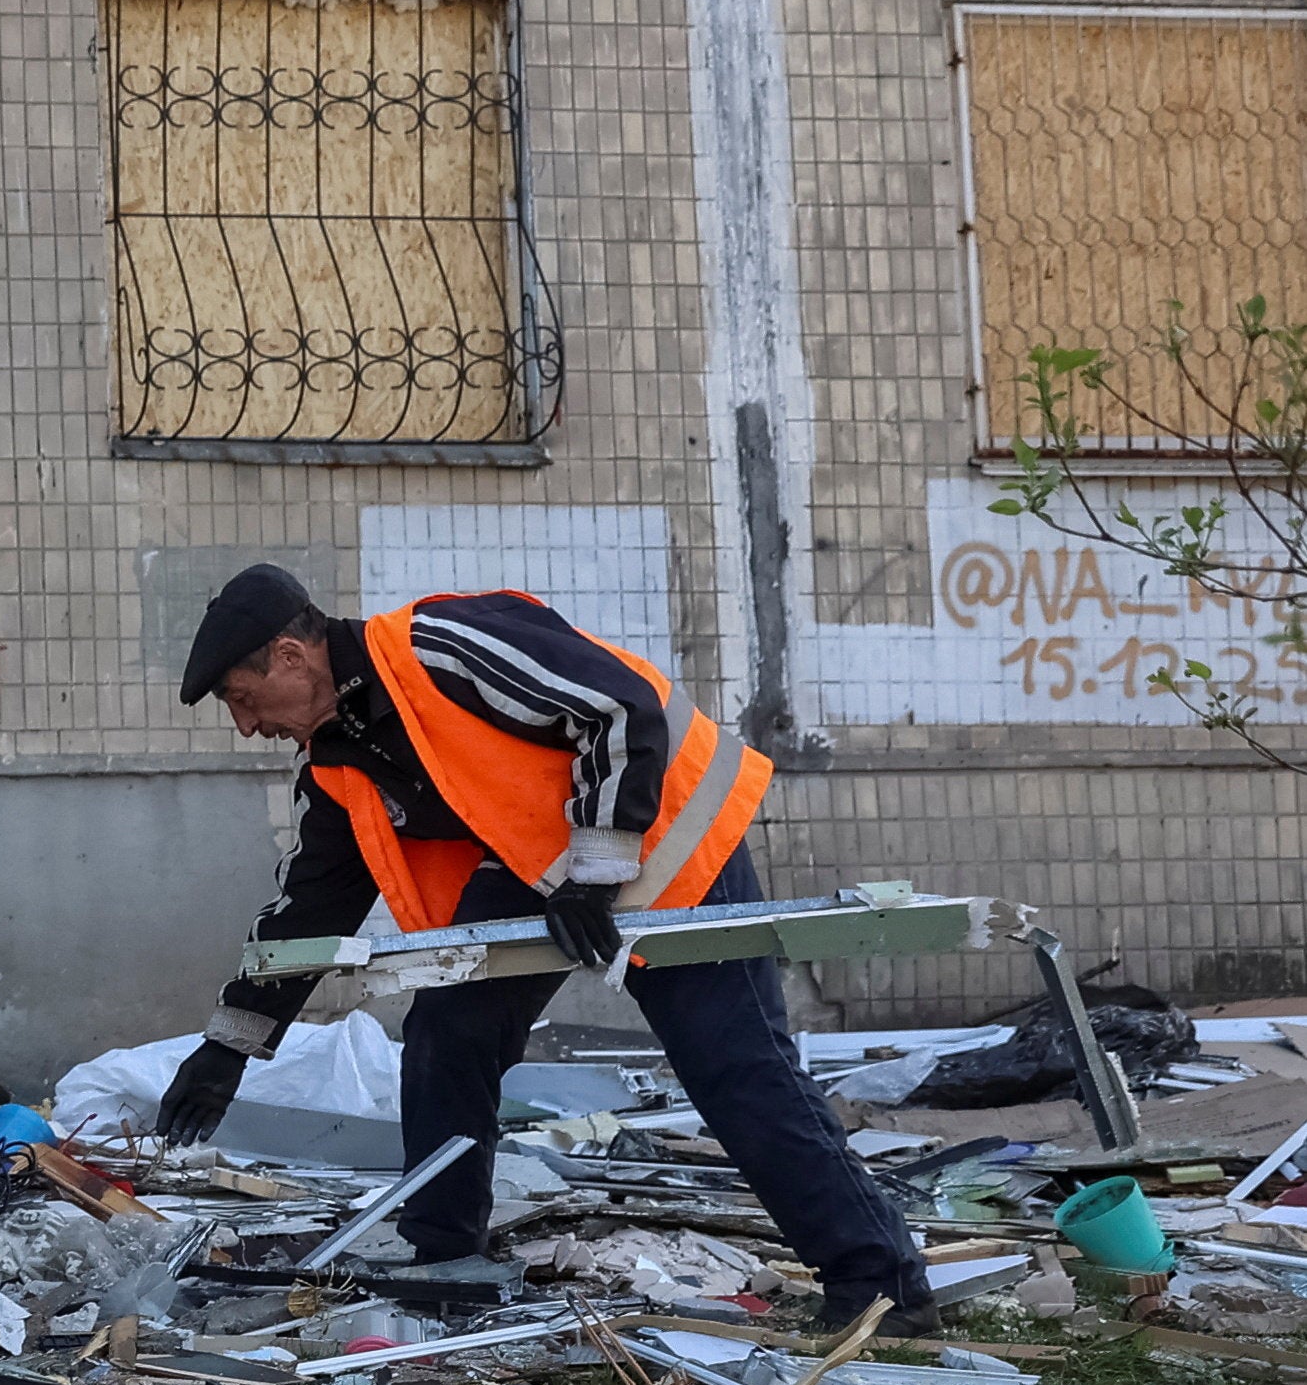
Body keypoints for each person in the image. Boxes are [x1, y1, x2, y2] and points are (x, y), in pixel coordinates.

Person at [158, 563, 933, 1330]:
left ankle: (878, 1286)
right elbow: (310, 904)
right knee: (448, 1032)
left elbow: (618, 709)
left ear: (290, 658)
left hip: (665, 832)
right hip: (544, 865)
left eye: (242, 699)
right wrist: (230, 1044)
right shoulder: (336, 758)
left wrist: (595, 873)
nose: (246, 726)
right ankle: (443, 1259)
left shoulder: (437, 647)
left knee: (734, 1066)